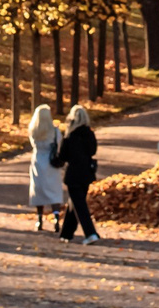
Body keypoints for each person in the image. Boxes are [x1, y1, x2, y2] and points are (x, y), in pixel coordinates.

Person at [52, 104, 102, 243]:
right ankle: (66, 234)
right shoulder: (89, 134)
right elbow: (92, 151)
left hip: (73, 174)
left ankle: (90, 233)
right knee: (74, 203)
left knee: (79, 205)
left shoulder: (70, 136)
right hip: (87, 173)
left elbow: (63, 156)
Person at [26, 103, 67, 232]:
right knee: (54, 191)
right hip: (51, 162)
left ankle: (39, 219)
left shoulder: (34, 130)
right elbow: (59, 143)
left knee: (38, 191)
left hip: (38, 160)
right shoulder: (54, 131)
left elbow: (33, 144)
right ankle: (56, 218)